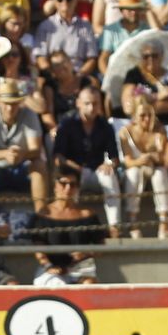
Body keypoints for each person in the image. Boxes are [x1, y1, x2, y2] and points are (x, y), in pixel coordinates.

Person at [53, 86, 124, 236]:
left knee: (110, 178)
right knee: (69, 183)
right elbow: (58, 157)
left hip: (97, 170)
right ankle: (70, 227)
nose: (92, 107)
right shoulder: (67, 124)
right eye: (87, 103)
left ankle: (114, 227)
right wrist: (75, 169)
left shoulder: (105, 126)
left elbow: (115, 158)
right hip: (74, 171)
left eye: (95, 103)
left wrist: (109, 164)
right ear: (78, 103)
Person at [0, 78, 48, 212]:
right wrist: (5, 154)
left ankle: (41, 214)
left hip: (21, 168)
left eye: (14, 104)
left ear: (20, 102)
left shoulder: (29, 114)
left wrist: (21, 154)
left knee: (39, 164)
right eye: (6, 103)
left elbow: (36, 149)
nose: (10, 108)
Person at [31, 168, 107, 284]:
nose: (68, 188)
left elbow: (100, 246)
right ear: (55, 185)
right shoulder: (44, 214)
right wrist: (48, 266)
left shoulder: (87, 214)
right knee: (56, 285)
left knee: (89, 286)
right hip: (51, 268)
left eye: (73, 184)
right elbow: (38, 247)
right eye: (63, 183)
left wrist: (85, 253)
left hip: (81, 268)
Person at [34, 0, 100, 77]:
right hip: (53, 74)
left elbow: (92, 58)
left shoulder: (86, 26)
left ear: (75, 0)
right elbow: (40, 57)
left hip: (79, 74)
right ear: (54, 1)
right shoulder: (45, 26)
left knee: (93, 87)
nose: (64, 2)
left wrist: (79, 75)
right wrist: (51, 75)